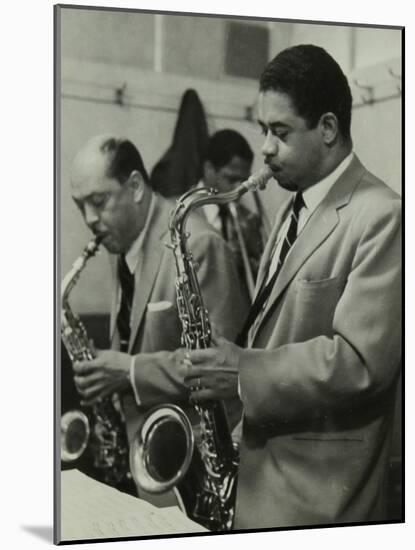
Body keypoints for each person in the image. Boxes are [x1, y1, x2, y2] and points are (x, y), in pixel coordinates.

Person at [183, 45, 401, 529]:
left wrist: (242, 374)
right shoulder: (291, 206)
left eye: (279, 132)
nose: (264, 148)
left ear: (327, 128)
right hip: (263, 482)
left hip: (318, 502)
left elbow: (361, 363)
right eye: (263, 130)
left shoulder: (382, 214)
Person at [69, 135, 249, 487]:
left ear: (136, 186)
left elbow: (224, 365)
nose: (90, 219)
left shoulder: (198, 243)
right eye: (80, 206)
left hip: (198, 465)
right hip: (147, 453)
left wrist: (130, 372)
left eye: (98, 201)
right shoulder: (122, 241)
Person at [199, 129, 268, 298]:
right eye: (231, 179)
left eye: (243, 181)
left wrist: (252, 262)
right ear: (208, 169)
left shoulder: (250, 220)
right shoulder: (184, 213)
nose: (239, 190)